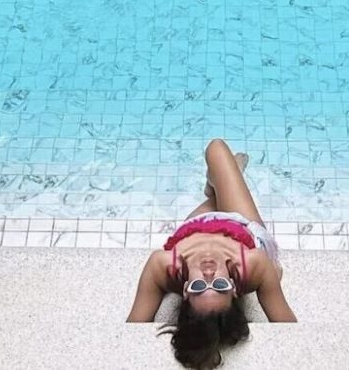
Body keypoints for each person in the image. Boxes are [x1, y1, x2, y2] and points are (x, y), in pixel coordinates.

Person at [127, 138, 297, 368]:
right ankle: (226, 178)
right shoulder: (252, 263)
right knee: (217, 149)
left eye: (199, 286)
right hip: (239, 225)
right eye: (219, 285)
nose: (209, 273)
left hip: (194, 227)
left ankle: (220, 183)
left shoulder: (164, 265)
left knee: (219, 174)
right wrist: (270, 276)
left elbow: (131, 331)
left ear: (186, 290)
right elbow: (290, 329)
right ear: (234, 287)